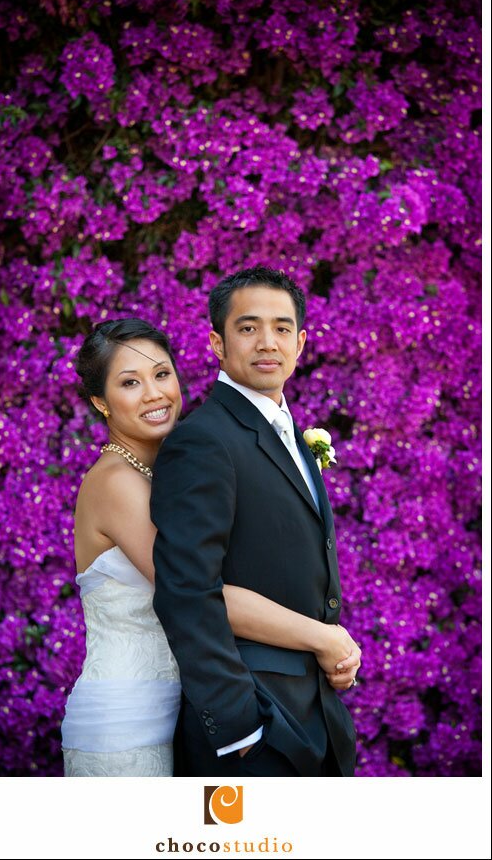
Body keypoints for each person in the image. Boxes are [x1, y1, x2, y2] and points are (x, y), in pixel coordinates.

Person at [61, 317, 359, 776]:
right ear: (100, 401)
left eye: (162, 374)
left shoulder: (169, 471)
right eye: (130, 383)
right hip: (128, 723)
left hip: (185, 712)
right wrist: (324, 637)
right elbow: (197, 590)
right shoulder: (116, 484)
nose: (155, 394)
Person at [151, 267, 360, 777]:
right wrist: (238, 728)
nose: (268, 342)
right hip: (255, 728)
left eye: (282, 328)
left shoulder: (288, 430)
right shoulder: (202, 440)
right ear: (217, 343)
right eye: (247, 328)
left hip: (315, 714)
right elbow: (188, 590)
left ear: (301, 342)